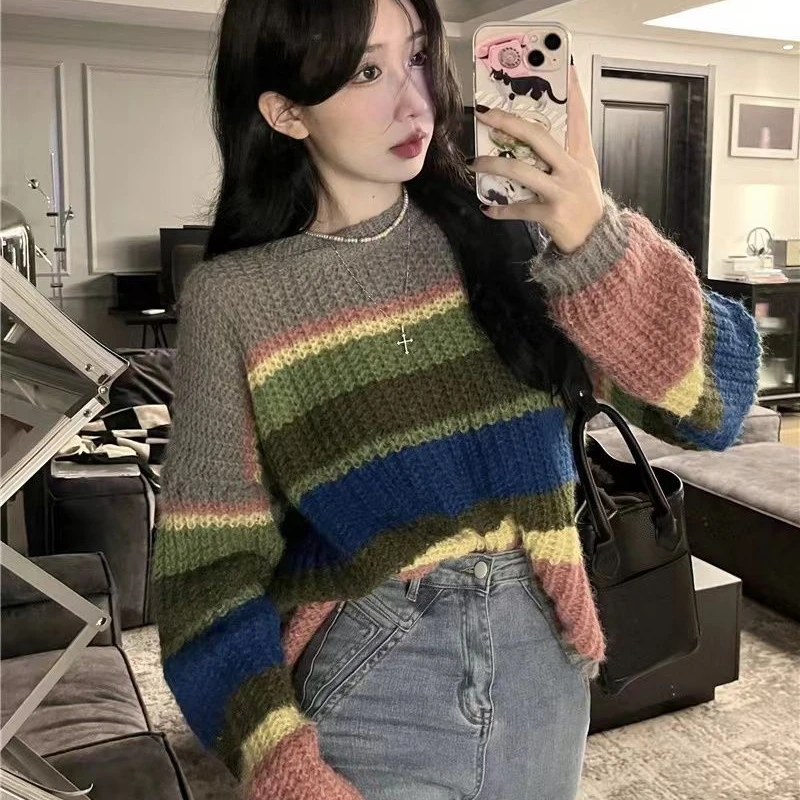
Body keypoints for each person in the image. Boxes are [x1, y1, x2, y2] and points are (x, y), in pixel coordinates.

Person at [152, 0, 761, 798]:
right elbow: (207, 572)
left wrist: (596, 237)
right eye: (367, 71)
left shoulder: (517, 235)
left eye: (416, 56)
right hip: (372, 675)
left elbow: (718, 403)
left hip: (544, 667)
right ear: (285, 111)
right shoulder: (236, 300)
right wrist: (279, 763)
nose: (414, 101)